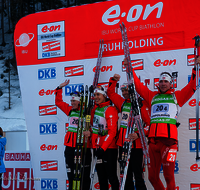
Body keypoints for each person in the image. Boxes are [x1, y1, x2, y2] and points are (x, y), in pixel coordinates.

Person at [123, 57, 200, 190]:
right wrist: (129, 68)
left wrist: (196, 67)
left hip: (169, 143)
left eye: (166, 81)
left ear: (171, 84)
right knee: (152, 177)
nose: (163, 83)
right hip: (153, 143)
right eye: (161, 81)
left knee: (169, 177)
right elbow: (137, 84)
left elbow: (193, 85)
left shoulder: (177, 96)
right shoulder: (152, 96)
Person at [107, 75, 150, 190]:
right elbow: (110, 93)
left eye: (126, 90)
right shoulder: (122, 102)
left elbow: (150, 125)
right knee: (125, 177)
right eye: (122, 90)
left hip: (136, 146)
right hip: (122, 144)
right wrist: (113, 80)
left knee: (138, 176)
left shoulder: (141, 104)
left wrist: (138, 134)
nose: (124, 92)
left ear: (133, 89)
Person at [55, 79, 91, 190]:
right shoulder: (70, 110)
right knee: (71, 174)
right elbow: (58, 102)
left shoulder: (87, 111)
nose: (72, 103)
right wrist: (60, 88)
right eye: (71, 101)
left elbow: (93, 125)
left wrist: (90, 131)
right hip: (70, 146)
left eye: (74, 101)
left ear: (80, 101)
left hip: (83, 146)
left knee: (84, 175)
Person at [84, 85, 119, 190]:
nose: (96, 97)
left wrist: (102, 148)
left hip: (108, 149)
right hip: (97, 147)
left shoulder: (110, 109)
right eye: (94, 95)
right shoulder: (96, 109)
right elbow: (95, 127)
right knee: (101, 177)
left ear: (104, 96)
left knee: (111, 177)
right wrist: (90, 132)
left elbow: (112, 132)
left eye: (98, 95)